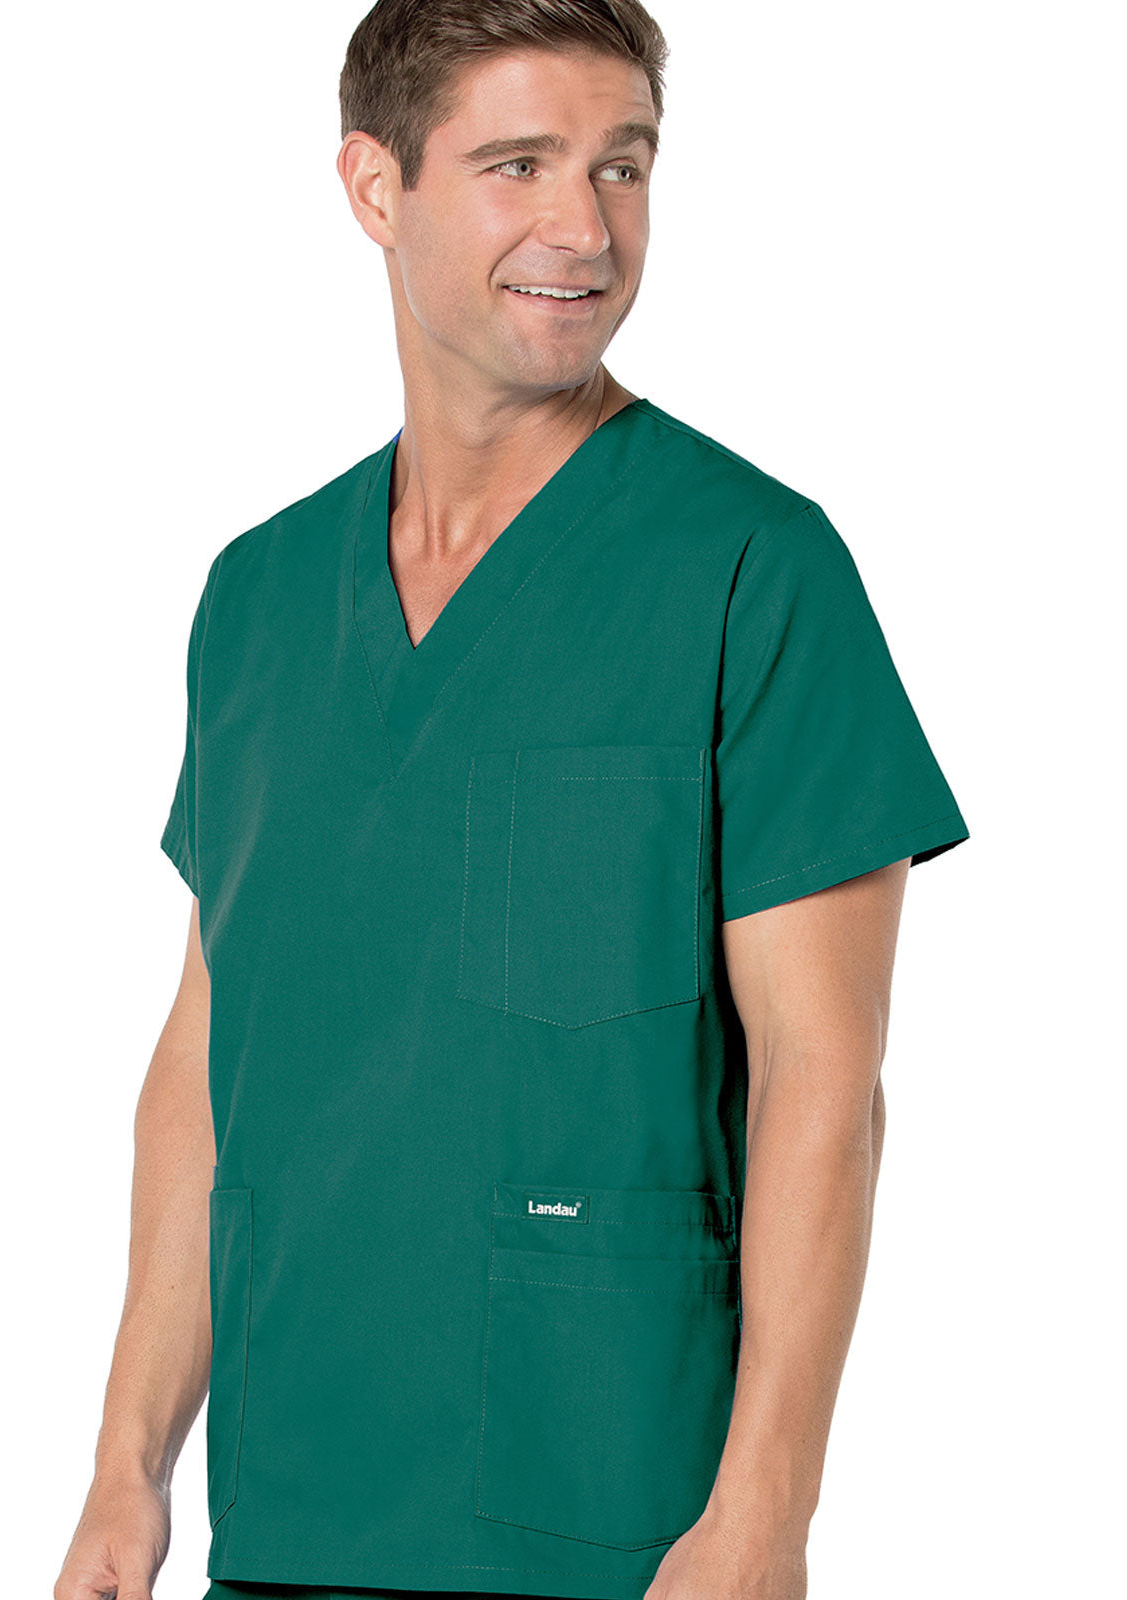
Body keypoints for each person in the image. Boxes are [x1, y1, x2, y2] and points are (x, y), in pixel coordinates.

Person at [54, 4, 969, 1600]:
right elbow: (207, 1060)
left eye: (624, 165)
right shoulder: (259, 601)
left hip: (618, 1527)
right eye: (519, 164)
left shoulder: (753, 570)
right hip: (291, 1514)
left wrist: (763, 1518)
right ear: (375, 185)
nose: (587, 229)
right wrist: (127, 1469)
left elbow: (823, 1082)